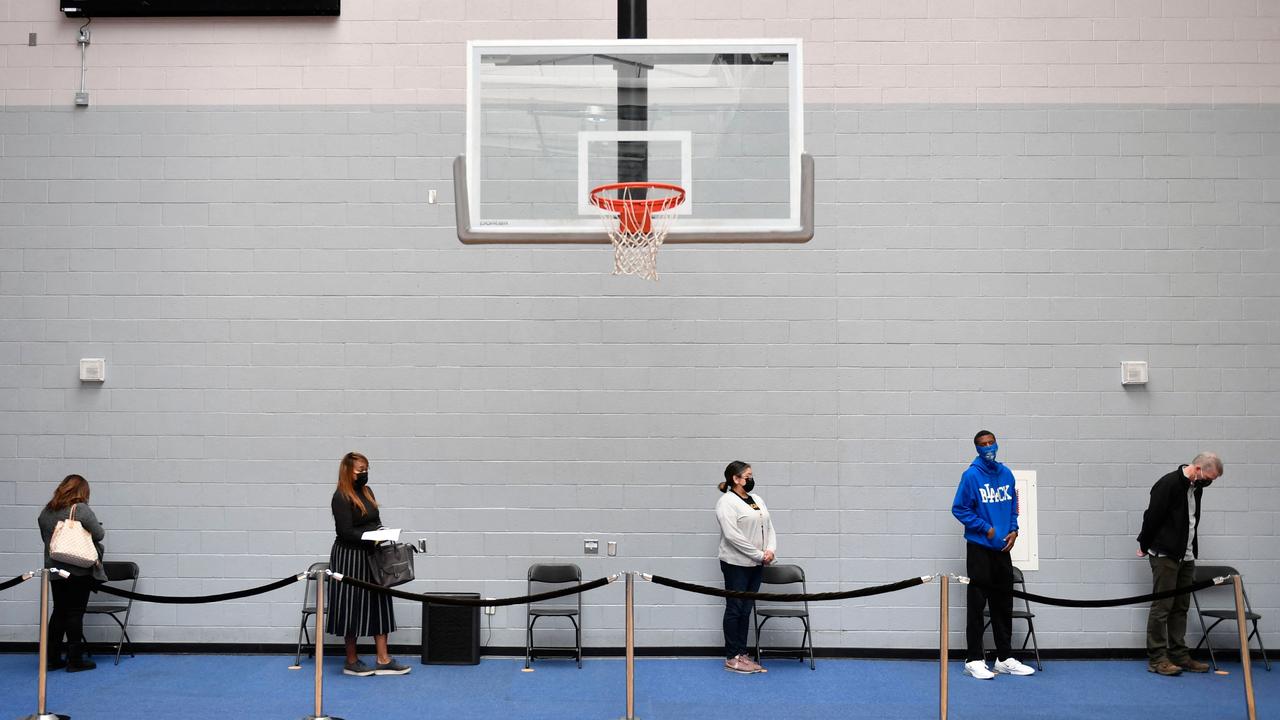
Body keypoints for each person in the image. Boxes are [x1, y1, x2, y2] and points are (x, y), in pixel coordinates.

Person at [952, 431, 1035, 679]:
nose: (988, 447)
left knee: (1003, 604)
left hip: (1002, 551)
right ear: (977, 449)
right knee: (977, 605)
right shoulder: (971, 476)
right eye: (982, 445)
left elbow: (1012, 508)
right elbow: (959, 508)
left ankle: (1004, 657)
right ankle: (974, 659)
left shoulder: (1006, 474)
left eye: (991, 443)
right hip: (979, 549)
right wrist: (984, 528)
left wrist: (1014, 530)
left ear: (997, 444)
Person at [1137, 452, 1223, 677]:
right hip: (1165, 554)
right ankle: (1157, 659)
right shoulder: (1168, 484)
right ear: (1197, 469)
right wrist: (1143, 544)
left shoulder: (1197, 488)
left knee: (1181, 607)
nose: (1209, 482)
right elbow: (1152, 516)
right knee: (1162, 607)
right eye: (1209, 478)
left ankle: (1179, 655)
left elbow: (1190, 519)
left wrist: (1191, 550)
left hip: (1186, 555)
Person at [327, 452, 410, 676]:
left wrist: (383, 532)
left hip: (372, 554)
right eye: (360, 470)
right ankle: (351, 660)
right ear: (347, 471)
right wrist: (370, 535)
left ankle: (383, 659)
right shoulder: (340, 497)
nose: (364, 474)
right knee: (351, 604)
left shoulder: (367, 491)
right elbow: (345, 532)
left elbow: (375, 520)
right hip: (349, 556)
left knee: (380, 602)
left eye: (366, 469)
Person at [37, 473, 107, 672]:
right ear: (82, 491)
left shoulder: (47, 511)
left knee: (59, 612)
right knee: (75, 613)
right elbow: (99, 534)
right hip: (77, 571)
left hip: (55, 569)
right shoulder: (80, 509)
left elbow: (46, 538)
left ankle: (51, 658)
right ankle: (75, 660)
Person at [715, 460, 776, 674]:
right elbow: (733, 536)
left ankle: (742, 652)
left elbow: (768, 526)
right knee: (735, 608)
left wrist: (770, 550)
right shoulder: (726, 502)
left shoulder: (756, 499)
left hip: (756, 564)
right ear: (736, 479)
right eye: (748, 475)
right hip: (736, 565)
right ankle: (732, 656)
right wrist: (759, 554)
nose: (751, 478)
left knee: (746, 609)